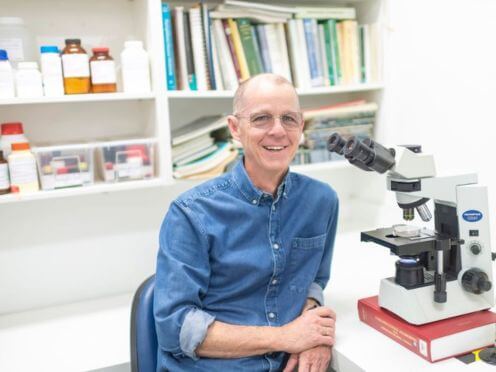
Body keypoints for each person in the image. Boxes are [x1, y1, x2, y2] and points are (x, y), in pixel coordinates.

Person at [154, 73, 339, 371]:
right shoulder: (190, 213)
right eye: (262, 118)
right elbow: (175, 329)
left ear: (301, 126)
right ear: (235, 128)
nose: (278, 131)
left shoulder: (322, 201)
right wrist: (285, 337)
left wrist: (314, 330)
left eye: (289, 119)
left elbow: (315, 280)